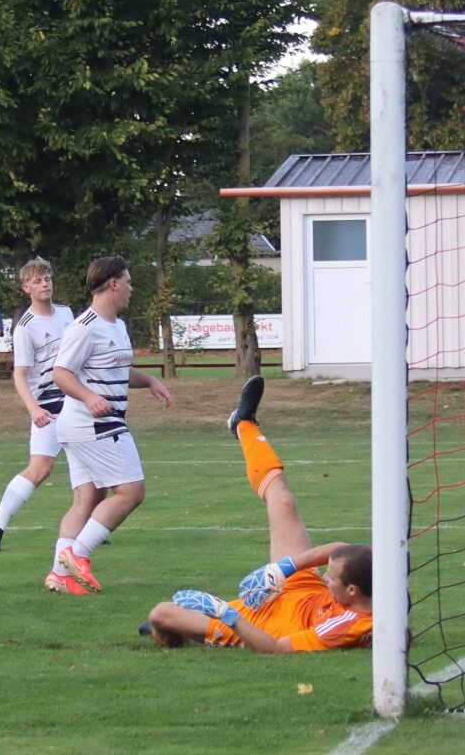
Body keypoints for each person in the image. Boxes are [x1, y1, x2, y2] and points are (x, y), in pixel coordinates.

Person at [144, 377, 373, 653]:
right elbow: (341, 550)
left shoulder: (347, 627)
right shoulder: (373, 593)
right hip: (302, 590)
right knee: (283, 502)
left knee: (161, 614)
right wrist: (282, 569)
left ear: (352, 591)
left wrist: (226, 614)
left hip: (261, 625)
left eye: (332, 578)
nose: (326, 577)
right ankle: (243, 424)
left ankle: (165, 633)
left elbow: (275, 647)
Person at [47, 256, 173, 594]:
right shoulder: (84, 327)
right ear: (113, 284)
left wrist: (149, 381)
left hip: (85, 426)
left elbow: (116, 370)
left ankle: (59, 574)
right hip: (94, 424)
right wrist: (89, 397)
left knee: (87, 498)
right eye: (128, 281)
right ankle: (78, 555)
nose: (132, 288)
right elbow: (61, 373)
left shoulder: (116, 325)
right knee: (132, 492)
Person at [0, 260, 78, 565]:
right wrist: (33, 408)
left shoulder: (67, 313)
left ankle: (88, 525)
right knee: (39, 469)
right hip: (48, 405)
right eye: (38, 281)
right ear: (26, 288)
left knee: (89, 462)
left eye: (48, 278)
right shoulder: (26, 326)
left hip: (75, 400)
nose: (45, 283)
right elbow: (20, 374)